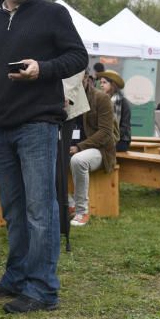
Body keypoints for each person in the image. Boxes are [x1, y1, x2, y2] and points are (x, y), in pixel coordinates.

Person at [0, 0, 87, 314]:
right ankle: (17, 277)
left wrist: (43, 68)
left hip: (38, 125)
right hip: (0, 129)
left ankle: (42, 290)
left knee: (41, 209)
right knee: (13, 209)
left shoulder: (53, 14)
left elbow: (78, 57)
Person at [68, 77, 117, 226]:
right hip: (72, 147)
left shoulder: (101, 98)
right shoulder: (66, 97)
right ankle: (69, 203)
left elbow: (105, 133)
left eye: (76, 78)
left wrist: (79, 147)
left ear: (86, 79)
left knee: (78, 160)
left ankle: (82, 212)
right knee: (47, 157)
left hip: (100, 149)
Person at [96, 69, 132, 152]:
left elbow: (124, 127)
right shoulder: (101, 101)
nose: (101, 85)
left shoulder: (123, 102)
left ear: (112, 84)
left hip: (121, 141)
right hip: (104, 138)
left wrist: (109, 138)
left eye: (104, 82)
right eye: (100, 82)